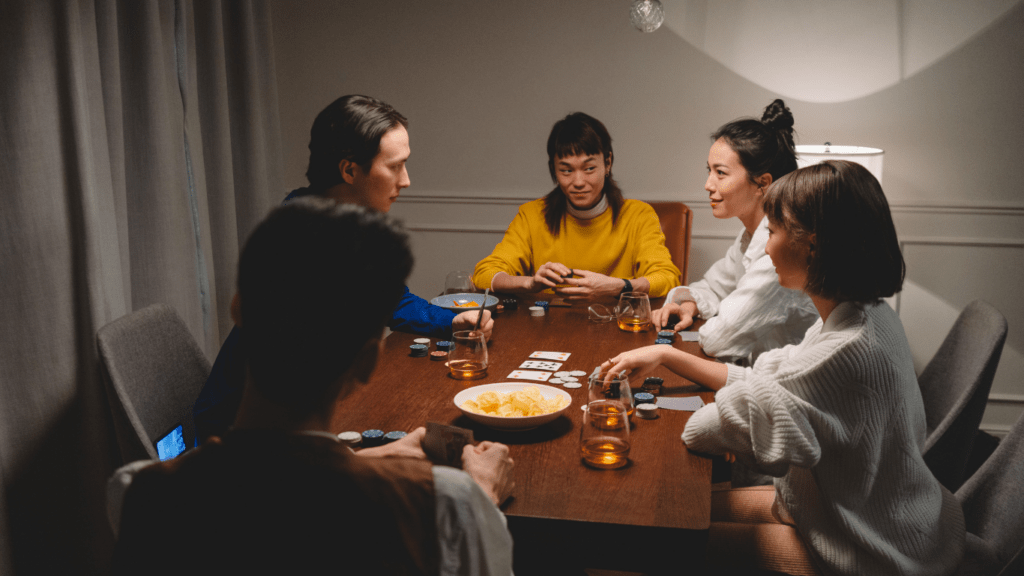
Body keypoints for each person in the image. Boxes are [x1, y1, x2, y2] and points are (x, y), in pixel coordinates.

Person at [108, 199, 515, 575]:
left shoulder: (136, 493)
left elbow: (274, 498)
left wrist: (376, 455)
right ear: (368, 362)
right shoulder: (446, 505)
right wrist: (482, 495)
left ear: (239, 310)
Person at [604, 161, 966, 576]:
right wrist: (668, 356)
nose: (766, 248)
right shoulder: (861, 315)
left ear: (811, 246)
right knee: (664, 515)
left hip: (868, 553)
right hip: (873, 516)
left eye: (772, 232)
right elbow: (771, 383)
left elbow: (701, 429)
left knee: (643, 545)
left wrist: (744, 397)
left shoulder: (842, 352)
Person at [193, 95, 493, 441]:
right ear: (350, 170)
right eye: (394, 166)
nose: (406, 180)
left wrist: (452, 320)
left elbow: (393, 300)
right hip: (242, 440)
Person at [652, 99, 818, 365]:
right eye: (710, 171)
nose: (708, 184)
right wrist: (689, 305)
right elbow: (712, 287)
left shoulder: (780, 250)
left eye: (721, 173)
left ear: (762, 183)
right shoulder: (752, 236)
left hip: (789, 387)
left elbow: (719, 340)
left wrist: (716, 317)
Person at [472, 112, 680, 300]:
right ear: (553, 169)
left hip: (617, 325)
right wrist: (530, 282)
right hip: (548, 328)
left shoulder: (638, 215)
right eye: (566, 170)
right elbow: (483, 275)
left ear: (608, 163)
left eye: (589, 168)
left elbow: (667, 278)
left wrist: (620, 286)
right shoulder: (532, 215)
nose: (579, 181)